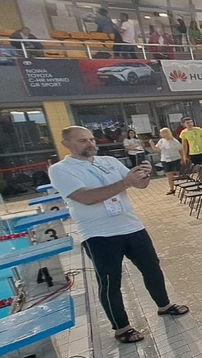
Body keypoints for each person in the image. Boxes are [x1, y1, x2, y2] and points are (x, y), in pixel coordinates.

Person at [48, 127, 189, 344]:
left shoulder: (109, 162)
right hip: (98, 234)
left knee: (152, 267)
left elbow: (140, 185)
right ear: (66, 144)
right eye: (83, 141)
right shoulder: (61, 170)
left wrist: (143, 174)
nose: (90, 144)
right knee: (110, 280)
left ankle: (164, 305)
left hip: (131, 226)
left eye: (91, 139)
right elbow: (86, 198)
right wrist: (126, 182)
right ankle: (121, 327)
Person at [149, 128, 183, 194]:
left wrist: (182, 158)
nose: (160, 134)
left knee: (178, 174)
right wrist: (152, 145)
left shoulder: (174, 141)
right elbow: (157, 149)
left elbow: (180, 149)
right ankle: (172, 189)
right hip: (165, 160)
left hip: (175, 159)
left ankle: (183, 187)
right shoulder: (161, 141)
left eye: (162, 133)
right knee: (169, 175)